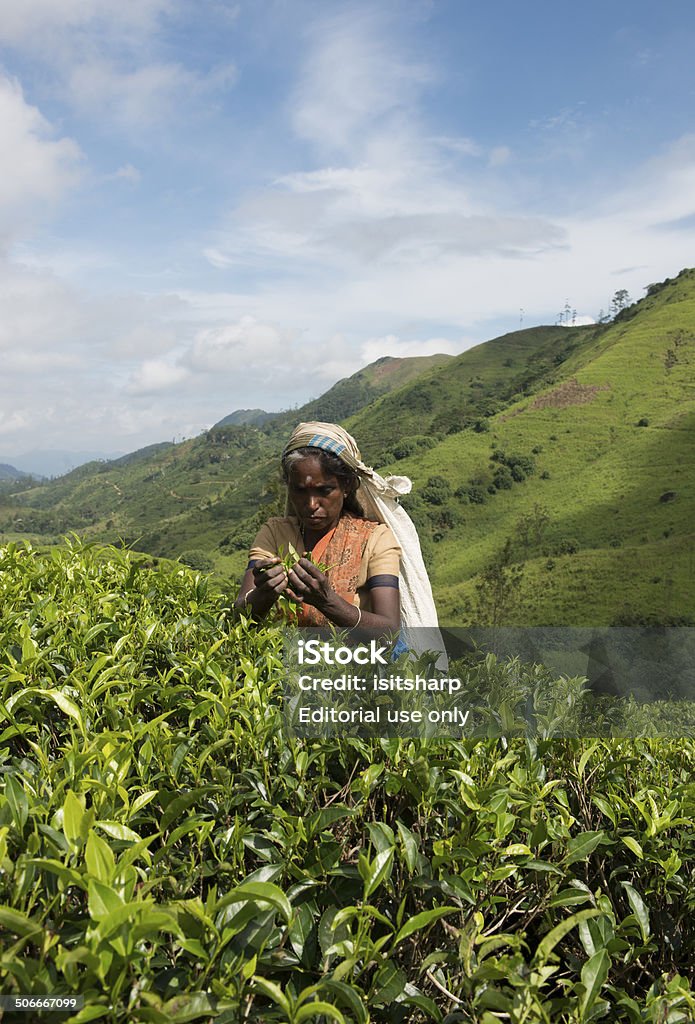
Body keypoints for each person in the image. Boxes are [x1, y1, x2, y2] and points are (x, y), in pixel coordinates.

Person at [235, 422, 445, 653]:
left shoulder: (376, 539)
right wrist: (264, 593)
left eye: (324, 490)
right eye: (300, 491)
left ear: (347, 486)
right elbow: (238, 616)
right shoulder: (275, 533)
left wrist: (326, 601)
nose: (312, 505)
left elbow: (389, 634)